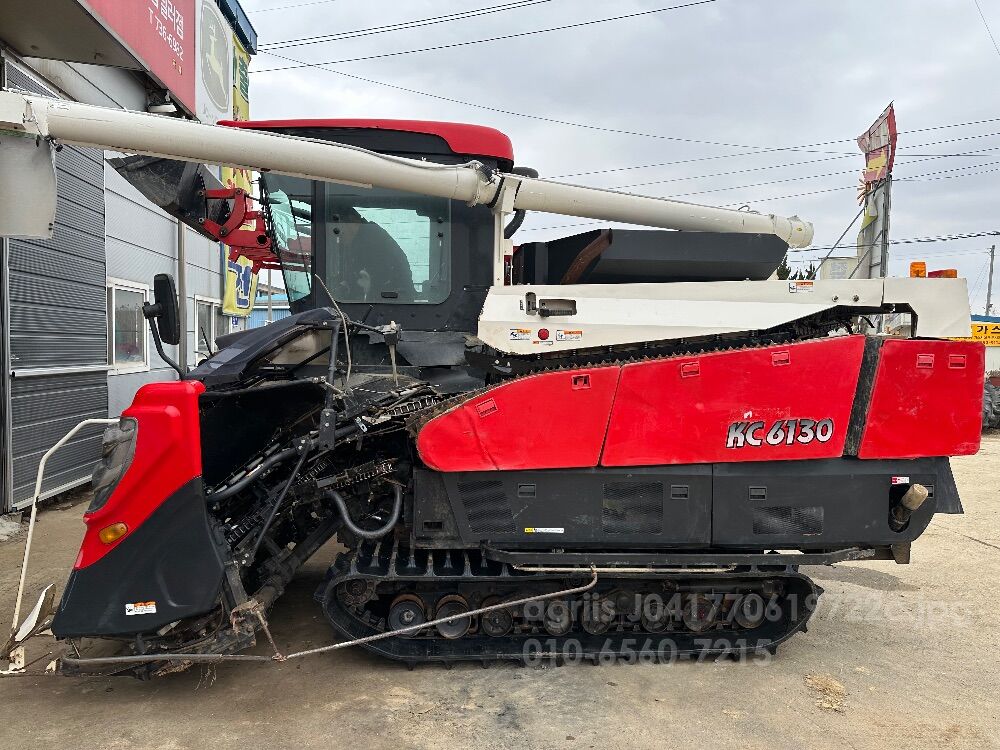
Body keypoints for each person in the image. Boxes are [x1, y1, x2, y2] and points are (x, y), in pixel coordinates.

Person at [331, 206, 415, 302]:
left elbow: (376, 277)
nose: (338, 237)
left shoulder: (371, 239)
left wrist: (358, 286)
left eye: (338, 231)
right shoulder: (363, 238)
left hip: (392, 302)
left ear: (353, 221)